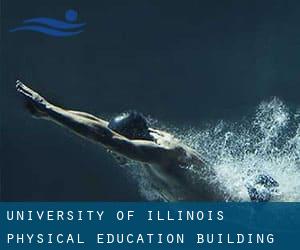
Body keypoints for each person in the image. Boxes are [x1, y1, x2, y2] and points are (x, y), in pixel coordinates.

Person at [15, 80, 278, 201]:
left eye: (115, 146)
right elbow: (99, 125)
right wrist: (51, 113)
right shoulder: (146, 139)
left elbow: (106, 137)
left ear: (132, 140)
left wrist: (48, 109)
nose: (110, 151)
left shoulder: (162, 154)